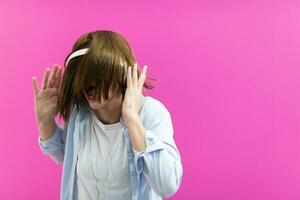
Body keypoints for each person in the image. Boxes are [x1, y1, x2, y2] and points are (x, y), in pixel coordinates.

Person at [32, 30, 183, 200]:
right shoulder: (80, 113)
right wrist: (45, 122)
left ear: (120, 73)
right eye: (83, 78)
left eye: (97, 77)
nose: (88, 86)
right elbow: (66, 156)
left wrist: (132, 119)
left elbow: (168, 184)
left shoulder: (151, 113)